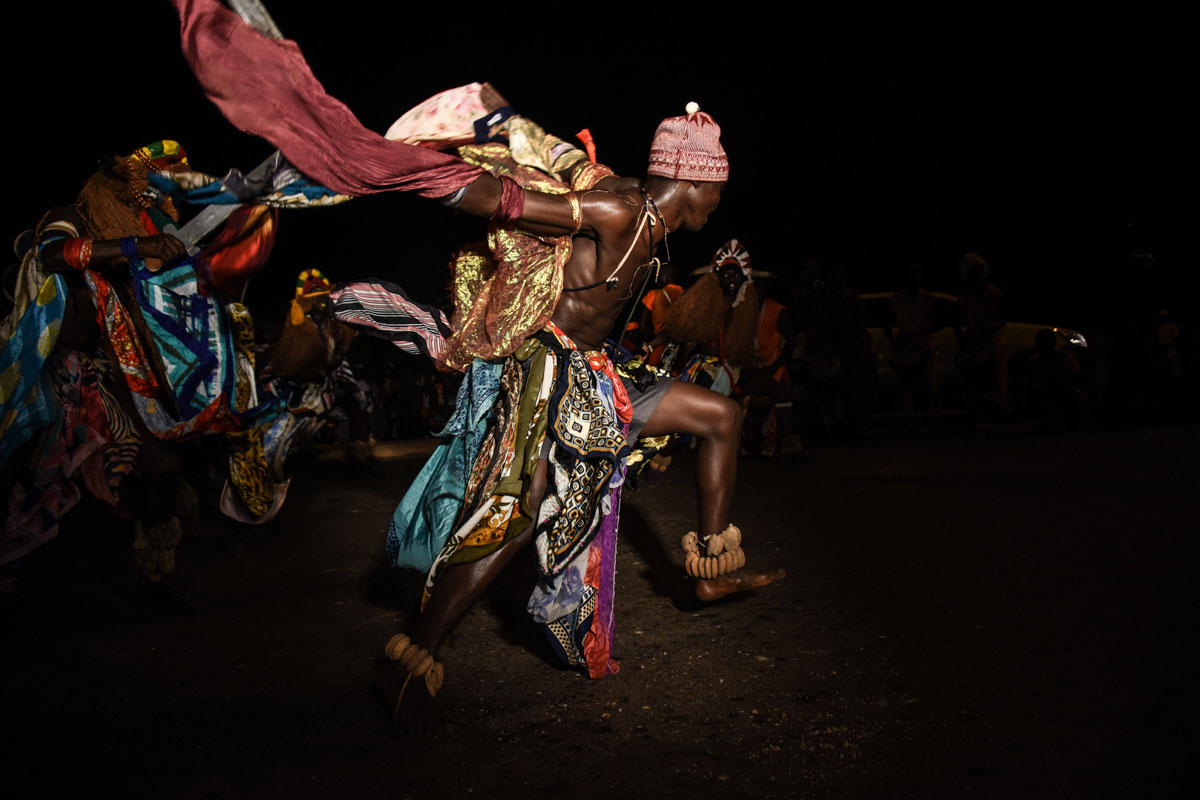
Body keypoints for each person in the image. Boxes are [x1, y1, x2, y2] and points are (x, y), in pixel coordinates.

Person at [355, 106, 786, 734]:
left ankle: (709, 572)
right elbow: (504, 202)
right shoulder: (620, 211)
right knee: (518, 514)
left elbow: (559, 155)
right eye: (717, 189)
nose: (719, 203)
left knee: (720, 415)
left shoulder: (642, 217)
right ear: (694, 182)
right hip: (545, 370)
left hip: (595, 370)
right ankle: (412, 658)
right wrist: (401, 171)